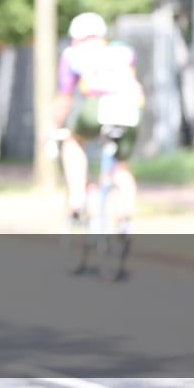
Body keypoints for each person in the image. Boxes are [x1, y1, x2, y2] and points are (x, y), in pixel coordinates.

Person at [52, 12, 142, 230]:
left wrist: (54, 126)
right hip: (130, 109)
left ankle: (77, 199)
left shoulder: (73, 54)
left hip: (98, 106)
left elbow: (65, 97)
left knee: (72, 142)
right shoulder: (123, 51)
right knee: (121, 165)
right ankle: (125, 214)